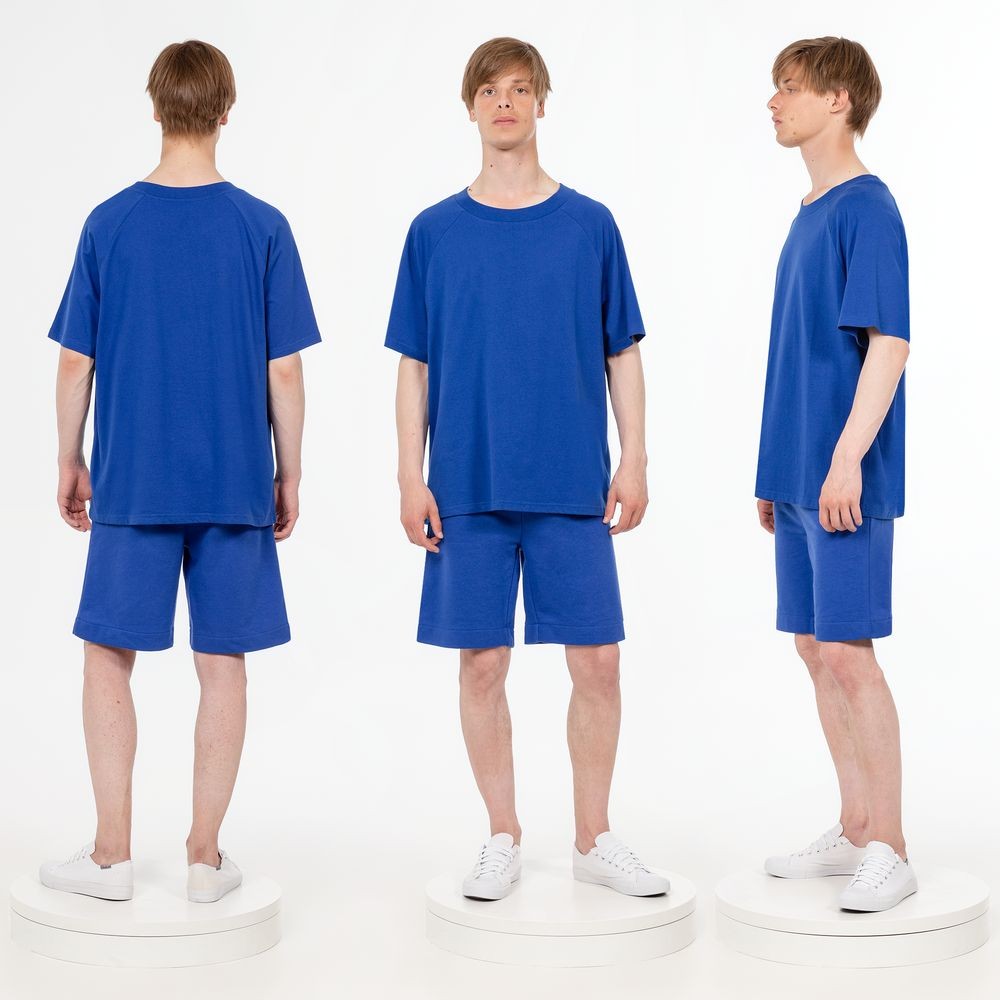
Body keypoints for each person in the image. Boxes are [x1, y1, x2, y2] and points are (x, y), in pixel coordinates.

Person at [386, 37, 667, 901]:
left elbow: (622, 350)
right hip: (466, 483)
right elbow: (414, 365)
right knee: (481, 665)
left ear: (542, 102)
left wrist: (635, 458)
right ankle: (502, 834)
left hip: (570, 481)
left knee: (599, 663)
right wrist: (408, 474)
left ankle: (593, 837)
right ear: (469, 106)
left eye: (519, 88)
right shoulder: (433, 232)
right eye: (489, 90)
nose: (504, 102)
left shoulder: (590, 225)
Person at [41, 40, 321, 903]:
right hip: (234, 483)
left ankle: (111, 856)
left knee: (107, 656)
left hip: (134, 480)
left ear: (155, 106)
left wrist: (70, 457)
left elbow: (75, 362)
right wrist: (289, 473)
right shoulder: (263, 226)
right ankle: (204, 859)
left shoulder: (110, 223)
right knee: (222, 662)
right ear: (226, 111)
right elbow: (284, 370)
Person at [755, 36, 914, 912]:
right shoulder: (808, 212)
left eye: (790, 87)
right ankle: (856, 825)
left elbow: (888, 344)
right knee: (815, 649)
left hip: (844, 477)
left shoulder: (867, 209)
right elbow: (799, 352)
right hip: (799, 478)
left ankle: (892, 845)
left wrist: (847, 458)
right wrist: (775, 472)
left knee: (851, 656)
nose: (774, 102)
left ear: (839, 100)